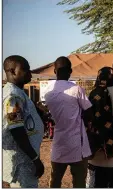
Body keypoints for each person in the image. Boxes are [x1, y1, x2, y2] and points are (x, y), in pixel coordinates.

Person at [44, 56, 92, 188]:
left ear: (54, 71)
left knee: (55, 180)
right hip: (77, 143)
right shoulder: (76, 89)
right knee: (79, 181)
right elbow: (88, 110)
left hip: (59, 142)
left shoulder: (48, 91)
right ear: (70, 71)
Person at [2, 55, 44, 188]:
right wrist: (35, 159)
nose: (30, 73)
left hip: (24, 158)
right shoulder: (12, 96)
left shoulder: (18, 93)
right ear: (13, 71)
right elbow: (17, 129)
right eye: (25, 69)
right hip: (22, 161)